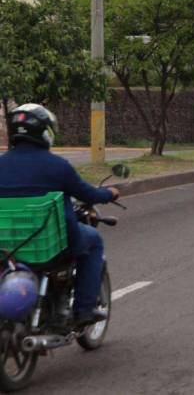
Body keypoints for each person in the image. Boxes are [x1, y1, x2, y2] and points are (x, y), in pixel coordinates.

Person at [0, 104, 120, 327]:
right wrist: (110, 192)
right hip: (50, 244)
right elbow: (88, 194)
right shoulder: (57, 166)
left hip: (6, 245)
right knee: (93, 241)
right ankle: (84, 310)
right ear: (45, 131)